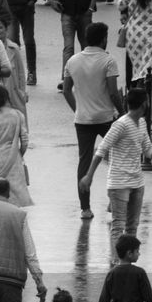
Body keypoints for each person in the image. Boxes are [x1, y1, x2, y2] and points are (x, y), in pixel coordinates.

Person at [81, 89, 152, 259]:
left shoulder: (142, 123)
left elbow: (148, 150)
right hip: (119, 183)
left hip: (137, 182)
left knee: (132, 227)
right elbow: (101, 149)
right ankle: (117, 262)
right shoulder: (121, 124)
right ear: (144, 103)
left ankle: (128, 261)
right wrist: (89, 176)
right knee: (118, 226)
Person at [63, 22, 122, 219]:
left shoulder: (72, 61)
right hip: (106, 118)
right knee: (116, 158)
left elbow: (66, 90)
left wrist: (77, 109)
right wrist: (123, 113)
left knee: (84, 161)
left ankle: (85, 208)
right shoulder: (108, 60)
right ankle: (113, 201)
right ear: (104, 38)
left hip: (83, 120)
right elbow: (113, 92)